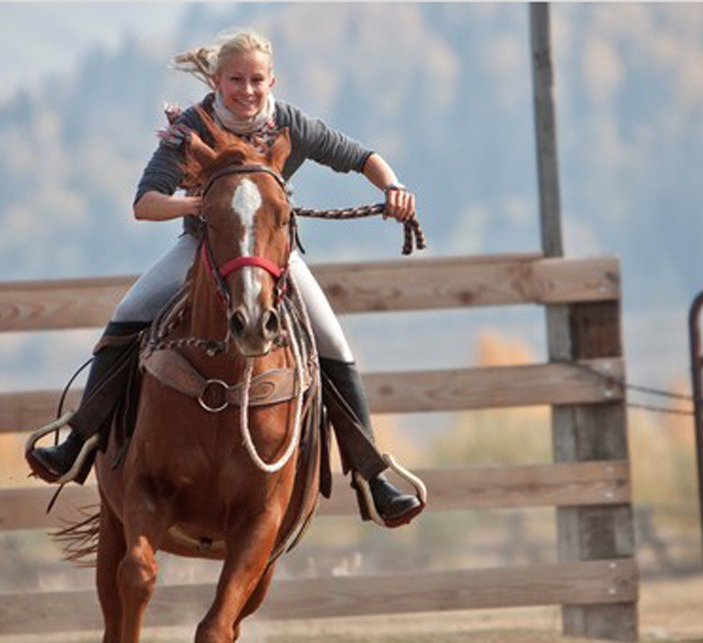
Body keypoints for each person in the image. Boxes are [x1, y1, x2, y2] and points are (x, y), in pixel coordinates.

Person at [26, 29, 423, 527]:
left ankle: (371, 475)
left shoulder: (289, 123)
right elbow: (144, 203)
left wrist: (395, 188)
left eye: (257, 79)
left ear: (271, 79)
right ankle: (79, 441)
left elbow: (362, 157)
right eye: (236, 79)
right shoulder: (192, 126)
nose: (248, 90)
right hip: (202, 247)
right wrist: (204, 206)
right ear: (217, 80)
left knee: (334, 345)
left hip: (272, 255)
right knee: (128, 315)